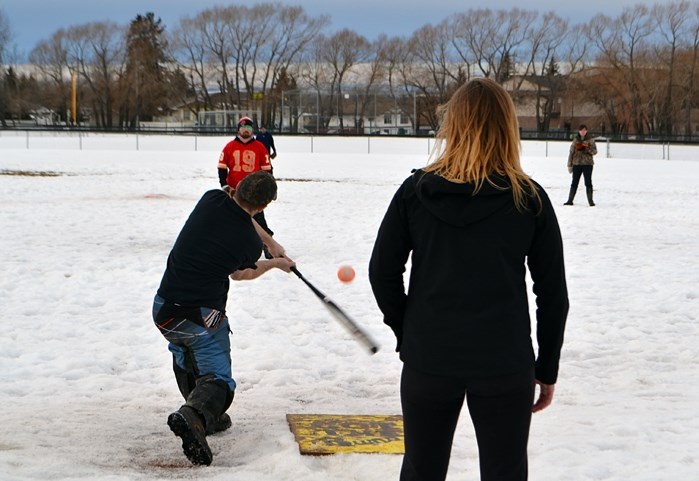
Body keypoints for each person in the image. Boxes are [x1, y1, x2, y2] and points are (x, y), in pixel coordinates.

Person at [368, 78, 569, 481]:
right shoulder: (527, 198)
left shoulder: (417, 192)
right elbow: (553, 294)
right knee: (505, 471)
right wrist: (545, 368)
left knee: (422, 469)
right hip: (502, 361)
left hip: (432, 359)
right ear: (508, 127)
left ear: (453, 125)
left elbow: (382, 272)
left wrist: (408, 331)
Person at [152, 171, 295, 466]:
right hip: (201, 316)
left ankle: (208, 417)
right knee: (219, 379)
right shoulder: (246, 243)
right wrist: (275, 263)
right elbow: (241, 273)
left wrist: (270, 241)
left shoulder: (211, 198)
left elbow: (240, 212)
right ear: (264, 206)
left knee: (185, 351)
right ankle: (196, 416)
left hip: (164, 309)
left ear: (236, 187)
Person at [218, 116, 276, 251]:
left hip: (253, 190)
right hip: (234, 190)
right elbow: (222, 166)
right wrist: (224, 185)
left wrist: (270, 189)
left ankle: (267, 244)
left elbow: (267, 169)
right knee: (232, 217)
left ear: (252, 130)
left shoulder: (260, 147)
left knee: (258, 219)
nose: (246, 130)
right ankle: (231, 243)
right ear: (238, 130)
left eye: (249, 128)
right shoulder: (229, 146)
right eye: (243, 128)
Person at [565, 124, 597, 206]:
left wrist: (586, 149)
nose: (582, 132)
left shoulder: (590, 139)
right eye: (581, 130)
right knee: (574, 182)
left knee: (588, 182)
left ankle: (590, 201)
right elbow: (571, 152)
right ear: (579, 131)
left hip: (587, 164)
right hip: (577, 164)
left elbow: (595, 151)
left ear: (586, 131)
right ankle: (570, 200)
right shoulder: (576, 140)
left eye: (584, 130)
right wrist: (569, 164)